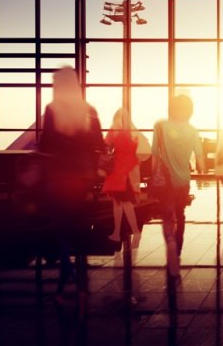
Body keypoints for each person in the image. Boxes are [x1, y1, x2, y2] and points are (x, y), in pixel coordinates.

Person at [39, 67, 105, 297]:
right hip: (82, 176)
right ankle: (79, 274)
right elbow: (99, 142)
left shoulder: (52, 109)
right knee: (79, 224)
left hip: (58, 175)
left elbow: (45, 143)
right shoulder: (88, 110)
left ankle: (67, 270)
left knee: (61, 225)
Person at [152, 94, 205, 277]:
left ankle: (171, 242)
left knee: (167, 216)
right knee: (180, 213)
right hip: (183, 181)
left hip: (165, 182)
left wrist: (153, 176)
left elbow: (154, 155)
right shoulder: (193, 131)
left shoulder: (160, 126)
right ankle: (179, 246)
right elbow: (200, 158)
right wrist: (201, 168)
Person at [103, 108, 145, 245]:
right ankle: (118, 232)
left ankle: (133, 231)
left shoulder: (114, 131)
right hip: (128, 170)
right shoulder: (132, 132)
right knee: (121, 202)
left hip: (118, 171)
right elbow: (139, 149)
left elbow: (105, 146)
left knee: (121, 202)